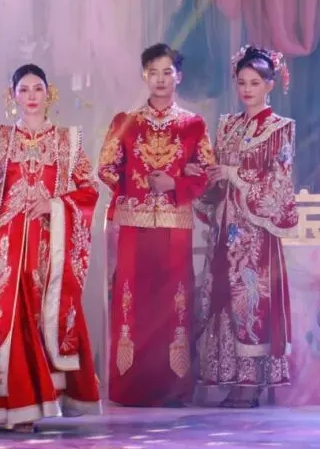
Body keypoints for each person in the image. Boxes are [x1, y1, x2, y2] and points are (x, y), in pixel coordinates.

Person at [0, 64, 102, 433]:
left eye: (38, 89)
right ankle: (18, 406)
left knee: (42, 316)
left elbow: (89, 190)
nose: (31, 96)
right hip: (4, 246)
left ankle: (43, 398)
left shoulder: (68, 141)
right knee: (9, 320)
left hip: (48, 246)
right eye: (23, 89)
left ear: (49, 94)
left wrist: (55, 204)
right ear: (12, 95)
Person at [96, 43, 215, 407]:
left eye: (167, 72)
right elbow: (105, 168)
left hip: (175, 226)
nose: (160, 79)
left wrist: (175, 184)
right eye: (153, 72)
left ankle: (172, 388)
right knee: (132, 303)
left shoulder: (193, 124)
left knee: (173, 302)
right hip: (134, 227)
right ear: (143, 76)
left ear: (179, 76)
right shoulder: (125, 122)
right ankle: (131, 387)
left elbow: (207, 173)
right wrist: (139, 186)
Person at [186, 46, 297, 408]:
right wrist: (203, 176)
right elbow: (217, 176)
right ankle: (230, 378)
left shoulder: (280, 129)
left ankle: (251, 383)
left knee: (250, 300)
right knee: (220, 297)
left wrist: (235, 174)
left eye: (255, 83)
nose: (247, 89)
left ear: (270, 85)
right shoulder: (228, 126)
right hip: (225, 227)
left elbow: (279, 183)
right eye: (242, 82)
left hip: (255, 234)